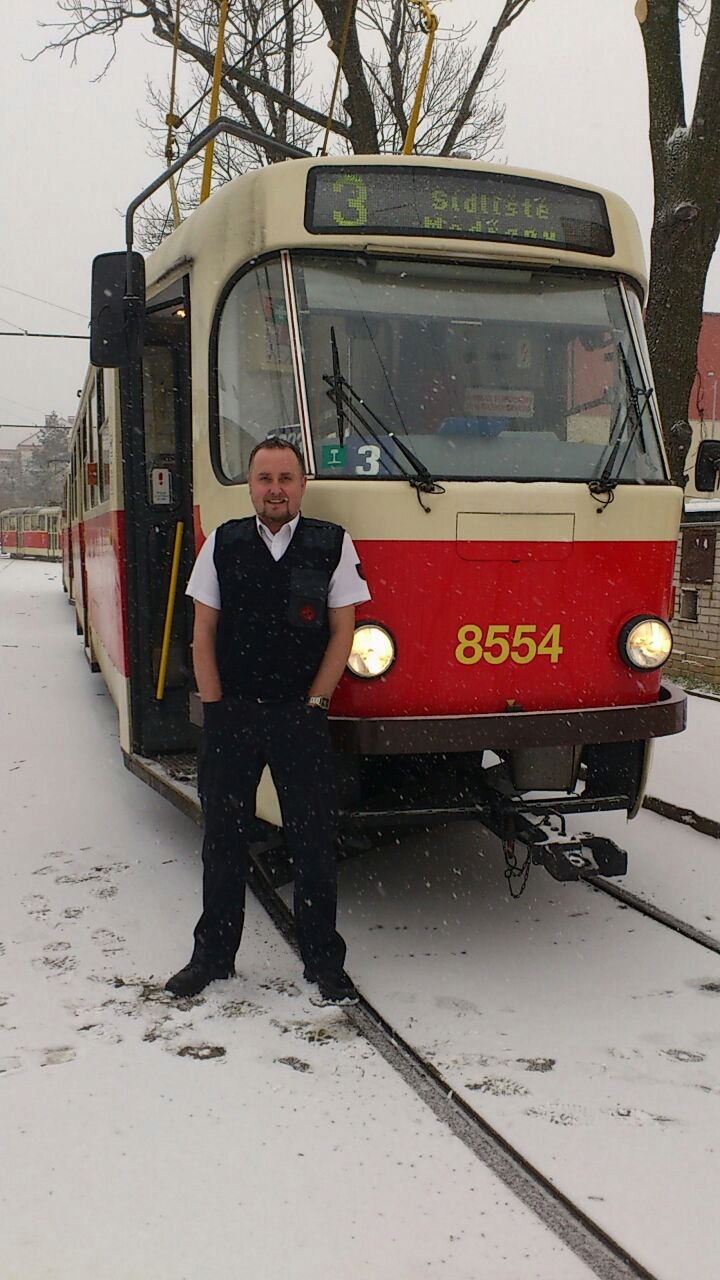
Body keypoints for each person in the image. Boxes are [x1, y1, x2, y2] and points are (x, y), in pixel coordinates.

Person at [165, 436, 371, 1005]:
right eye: (264, 479)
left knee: (313, 843)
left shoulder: (331, 544)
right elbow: (202, 632)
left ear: (302, 485)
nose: (274, 489)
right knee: (223, 843)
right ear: (250, 486)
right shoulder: (224, 544)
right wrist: (214, 707)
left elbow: (342, 632)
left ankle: (323, 962)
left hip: (298, 717)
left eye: (285, 478)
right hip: (232, 715)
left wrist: (316, 702)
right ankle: (212, 957)